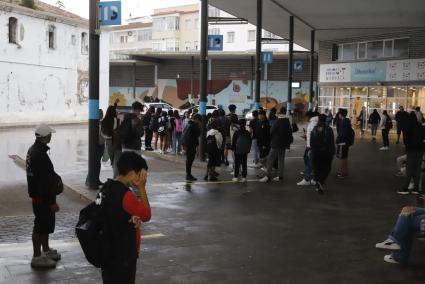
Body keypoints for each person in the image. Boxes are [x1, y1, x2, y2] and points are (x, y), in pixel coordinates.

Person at [100, 152, 151, 284]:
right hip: (123, 255)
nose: (142, 178)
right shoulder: (126, 195)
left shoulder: (106, 187)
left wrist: (130, 217)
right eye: (140, 174)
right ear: (133, 173)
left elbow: (109, 212)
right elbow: (146, 215)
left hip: (108, 251)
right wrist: (141, 187)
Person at [26, 124, 61, 268]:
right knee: (40, 226)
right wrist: (52, 201)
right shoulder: (39, 154)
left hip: (39, 195)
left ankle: (45, 250)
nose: (51, 136)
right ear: (46, 136)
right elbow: (45, 181)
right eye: (50, 134)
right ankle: (36, 256)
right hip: (42, 197)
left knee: (45, 225)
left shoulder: (34, 150)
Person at [260, 107, 293, 183]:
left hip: (276, 143)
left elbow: (271, 131)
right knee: (281, 160)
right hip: (284, 144)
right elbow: (290, 131)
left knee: (270, 159)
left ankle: (267, 176)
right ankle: (280, 177)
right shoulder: (287, 121)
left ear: (279, 112)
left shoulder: (279, 121)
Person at [397, 112, 425, 195]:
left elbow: (406, 140)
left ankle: (405, 188)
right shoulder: (420, 126)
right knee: (417, 170)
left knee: (409, 170)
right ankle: (416, 189)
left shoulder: (408, 127)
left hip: (411, 151)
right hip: (420, 152)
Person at [310, 114, 335, 194]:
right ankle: (321, 181)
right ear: (325, 120)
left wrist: (313, 150)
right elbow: (331, 142)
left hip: (316, 152)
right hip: (326, 153)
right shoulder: (329, 129)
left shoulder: (314, 129)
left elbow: (311, 141)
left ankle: (318, 184)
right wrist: (332, 152)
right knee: (326, 168)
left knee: (317, 168)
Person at [297, 111, 319, 186]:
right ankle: (313, 178)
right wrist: (306, 136)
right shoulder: (314, 122)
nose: (306, 118)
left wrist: (309, 143)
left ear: (309, 116)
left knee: (310, 162)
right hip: (311, 145)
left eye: (306, 116)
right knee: (309, 160)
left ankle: (307, 178)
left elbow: (314, 136)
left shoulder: (313, 123)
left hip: (311, 146)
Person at [86, 109, 106, 188]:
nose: (101, 115)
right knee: (94, 163)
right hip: (96, 145)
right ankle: (89, 179)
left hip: (101, 145)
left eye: (102, 113)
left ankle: (96, 179)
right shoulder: (94, 123)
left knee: (98, 163)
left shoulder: (101, 123)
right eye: (100, 113)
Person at [182, 114, 202, 181]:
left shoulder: (188, 124)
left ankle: (188, 174)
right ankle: (188, 175)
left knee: (189, 160)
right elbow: (198, 133)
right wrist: (199, 127)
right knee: (190, 160)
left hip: (188, 144)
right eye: (199, 120)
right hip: (191, 145)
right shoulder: (193, 126)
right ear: (196, 119)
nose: (199, 122)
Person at [335, 109, 352, 179]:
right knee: (345, 157)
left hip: (343, 143)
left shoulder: (344, 122)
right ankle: (345, 172)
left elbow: (342, 134)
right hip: (345, 143)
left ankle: (343, 173)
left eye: (339, 113)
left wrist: (338, 141)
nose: (338, 115)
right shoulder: (346, 121)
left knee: (343, 158)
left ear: (341, 114)